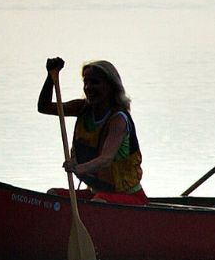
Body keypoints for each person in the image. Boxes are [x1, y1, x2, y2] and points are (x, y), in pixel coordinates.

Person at [37, 57, 148, 204]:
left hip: (130, 198)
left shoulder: (118, 119)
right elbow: (44, 107)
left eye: (95, 82)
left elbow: (106, 159)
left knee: (99, 201)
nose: (88, 87)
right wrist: (51, 76)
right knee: (53, 195)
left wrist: (77, 168)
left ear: (110, 86)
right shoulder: (82, 108)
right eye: (86, 83)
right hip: (97, 193)